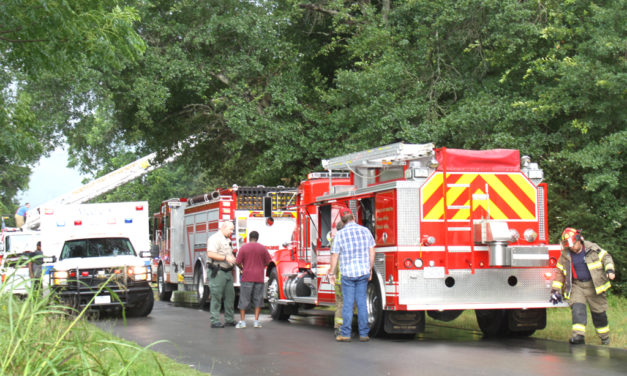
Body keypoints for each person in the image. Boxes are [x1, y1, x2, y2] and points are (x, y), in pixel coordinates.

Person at [550, 228, 615, 345]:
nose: (571, 247)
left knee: (599, 314)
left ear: (579, 240)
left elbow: (606, 257)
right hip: (577, 286)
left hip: (594, 286)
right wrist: (555, 290)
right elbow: (559, 272)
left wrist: (610, 270)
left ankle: (605, 338)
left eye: (572, 244)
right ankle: (578, 337)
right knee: (578, 310)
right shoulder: (565, 254)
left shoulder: (592, 248)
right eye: (568, 245)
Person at [328, 208, 375, 342]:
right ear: (353, 217)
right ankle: (364, 334)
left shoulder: (340, 235)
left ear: (342, 221)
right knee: (362, 303)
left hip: (348, 274)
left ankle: (346, 334)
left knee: (347, 304)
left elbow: (335, 256)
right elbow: (372, 252)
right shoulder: (365, 231)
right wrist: (370, 269)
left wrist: (331, 272)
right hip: (363, 273)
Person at [234, 231, 271, 328]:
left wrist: (242, 268)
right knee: (258, 299)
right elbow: (268, 262)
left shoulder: (244, 248)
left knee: (244, 299)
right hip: (259, 277)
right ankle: (256, 321)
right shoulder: (262, 248)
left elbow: (237, 262)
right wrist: (262, 266)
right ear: (257, 238)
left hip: (247, 277)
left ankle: (242, 322)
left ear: (249, 237)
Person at [206, 221, 237, 328]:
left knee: (230, 296)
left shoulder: (227, 239)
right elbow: (210, 253)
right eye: (230, 229)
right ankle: (215, 320)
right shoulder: (214, 239)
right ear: (223, 227)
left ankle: (230, 319)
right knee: (216, 296)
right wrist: (225, 258)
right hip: (218, 271)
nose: (232, 232)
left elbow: (229, 254)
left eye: (232, 229)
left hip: (228, 271)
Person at [331, 218, 346, 336]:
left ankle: (338, 327)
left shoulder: (335, 240)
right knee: (345, 303)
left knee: (340, 303)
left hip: (338, 279)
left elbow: (334, 261)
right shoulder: (344, 240)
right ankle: (341, 327)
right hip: (344, 278)